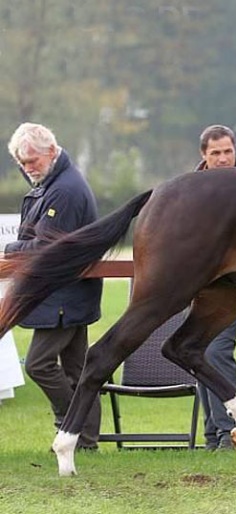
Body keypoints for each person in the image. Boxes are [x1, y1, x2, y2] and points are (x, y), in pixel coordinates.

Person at [5, 122, 102, 450]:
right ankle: (86, 442)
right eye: (21, 162)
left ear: (52, 150)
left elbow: (47, 249)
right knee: (78, 372)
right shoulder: (54, 180)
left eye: (31, 160)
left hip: (64, 294)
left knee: (39, 364)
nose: (27, 168)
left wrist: (9, 249)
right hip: (69, 294)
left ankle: (68, 427)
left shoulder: (64, 190)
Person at [193, 124, 236, 450]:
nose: (223, 159)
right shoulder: (190, 191)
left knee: (216, 351)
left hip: (233, 288)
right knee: (195, 353)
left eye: (228, 151)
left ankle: (229, 430)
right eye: (216, 153)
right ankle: (213, 432)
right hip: (197, 286)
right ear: (204, 156)